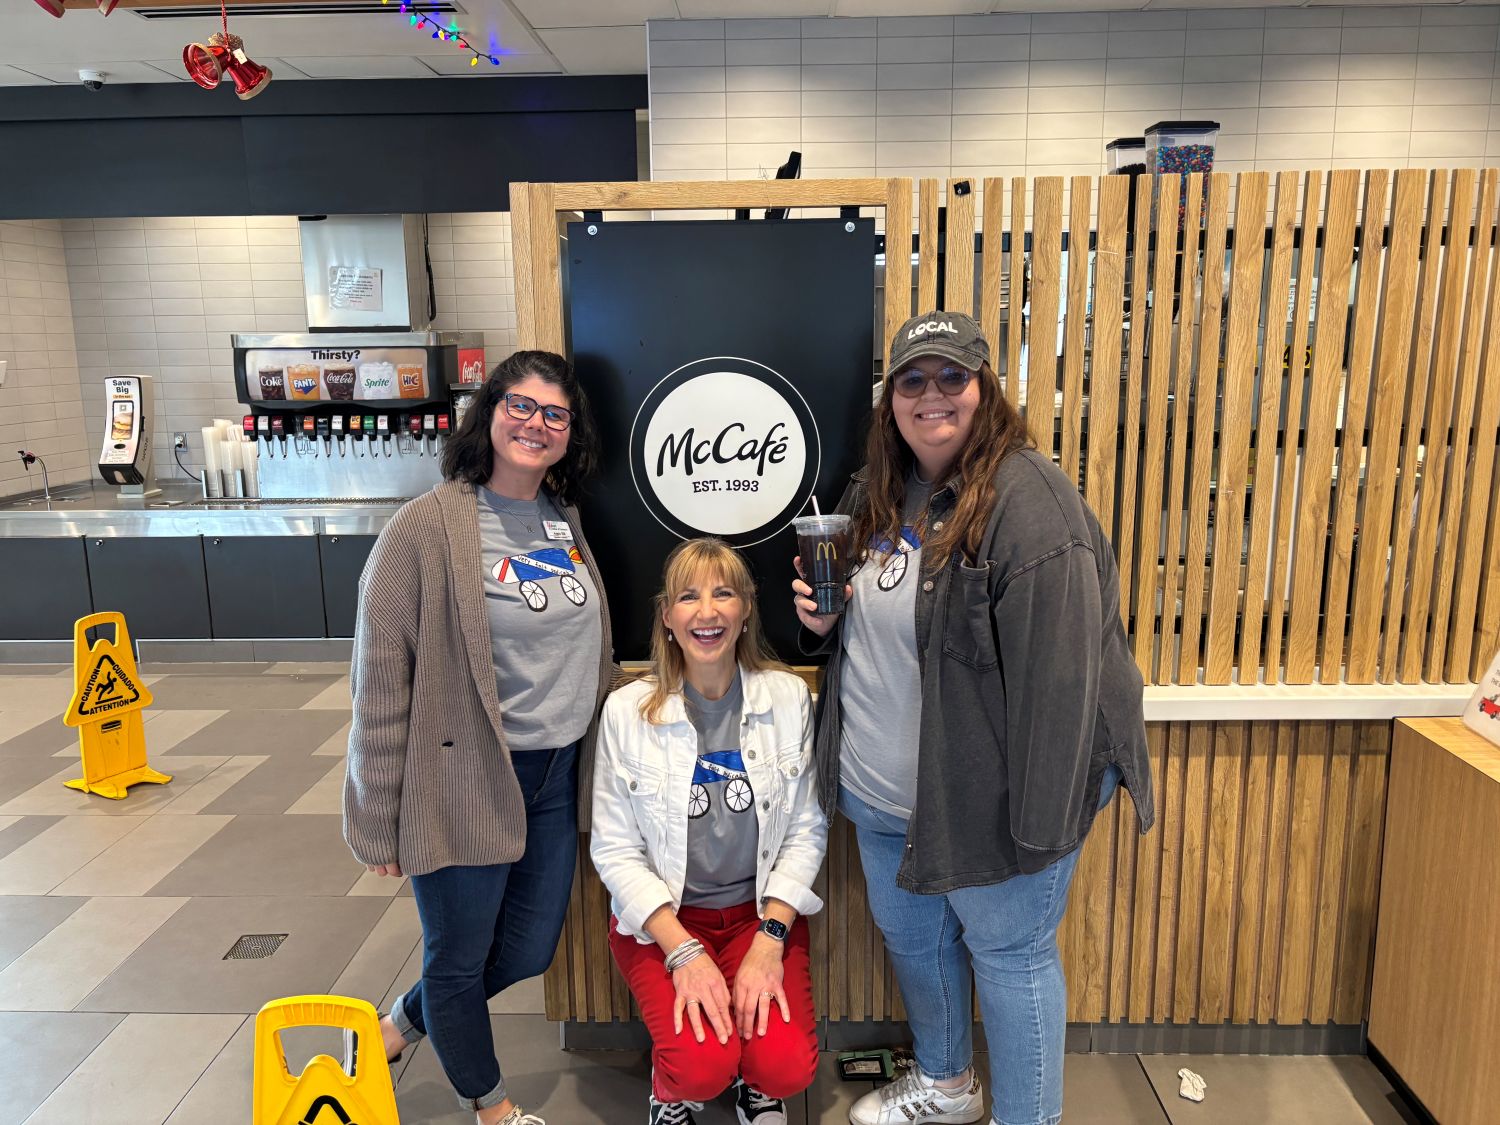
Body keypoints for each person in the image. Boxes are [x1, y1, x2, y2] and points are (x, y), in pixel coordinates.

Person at [793, 311, 1155, 1125]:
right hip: (885, 793)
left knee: (1011, 955)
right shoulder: (878, 488)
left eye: (952, 376)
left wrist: (1037, 832)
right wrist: (819, 625)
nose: (933, 395)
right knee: (915, 940)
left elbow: (1063, 685)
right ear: (891, 398)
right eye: (913, 380)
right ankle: (948, 1085)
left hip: (990, 804)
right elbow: (865, 626)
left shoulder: (1031, 505)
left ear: (984, 389)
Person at [344, 350, 615, 1125]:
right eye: (520, 405)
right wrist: (376, 815)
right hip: (464, 774)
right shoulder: (424, 528)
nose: (536, 424)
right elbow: (379, 684)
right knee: (458, 960)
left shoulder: (562, 517)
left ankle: (398, 1024)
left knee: (528, 948)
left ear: (570, 431)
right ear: (490, 411)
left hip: (554, 776)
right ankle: (493, 1108)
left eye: (554, 413)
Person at [593, 538, 826, 1125]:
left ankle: (756, 1085)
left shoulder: (788, 698)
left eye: (724, 593)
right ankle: (669, 1089)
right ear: (667, 617)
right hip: (664, 922)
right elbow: (614, 850)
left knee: (787, 1069)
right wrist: (683, 952)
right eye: (688, 597)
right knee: (699, 1070)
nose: (707, 612)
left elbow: (806, 830)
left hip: (759, 916)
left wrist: (769, 940)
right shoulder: (628, 711)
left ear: (746, 610)